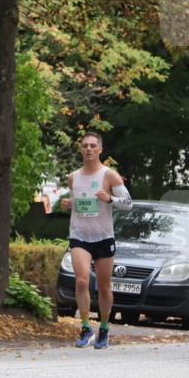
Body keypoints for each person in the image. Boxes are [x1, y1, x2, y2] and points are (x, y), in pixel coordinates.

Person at [59, 132, 133, 349]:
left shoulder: (109, 175)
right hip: (79, 235)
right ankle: (85, 327)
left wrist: (109, 198)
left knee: (103, 287)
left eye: (93, 146)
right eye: (85, 146)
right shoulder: (73, 177)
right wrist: (69, 204)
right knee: (81, 280)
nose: (89, 149)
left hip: (103, 237)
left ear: (100, 149)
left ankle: (104, 328)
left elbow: (128, 203)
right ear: (81, 149)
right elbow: (79, 202)